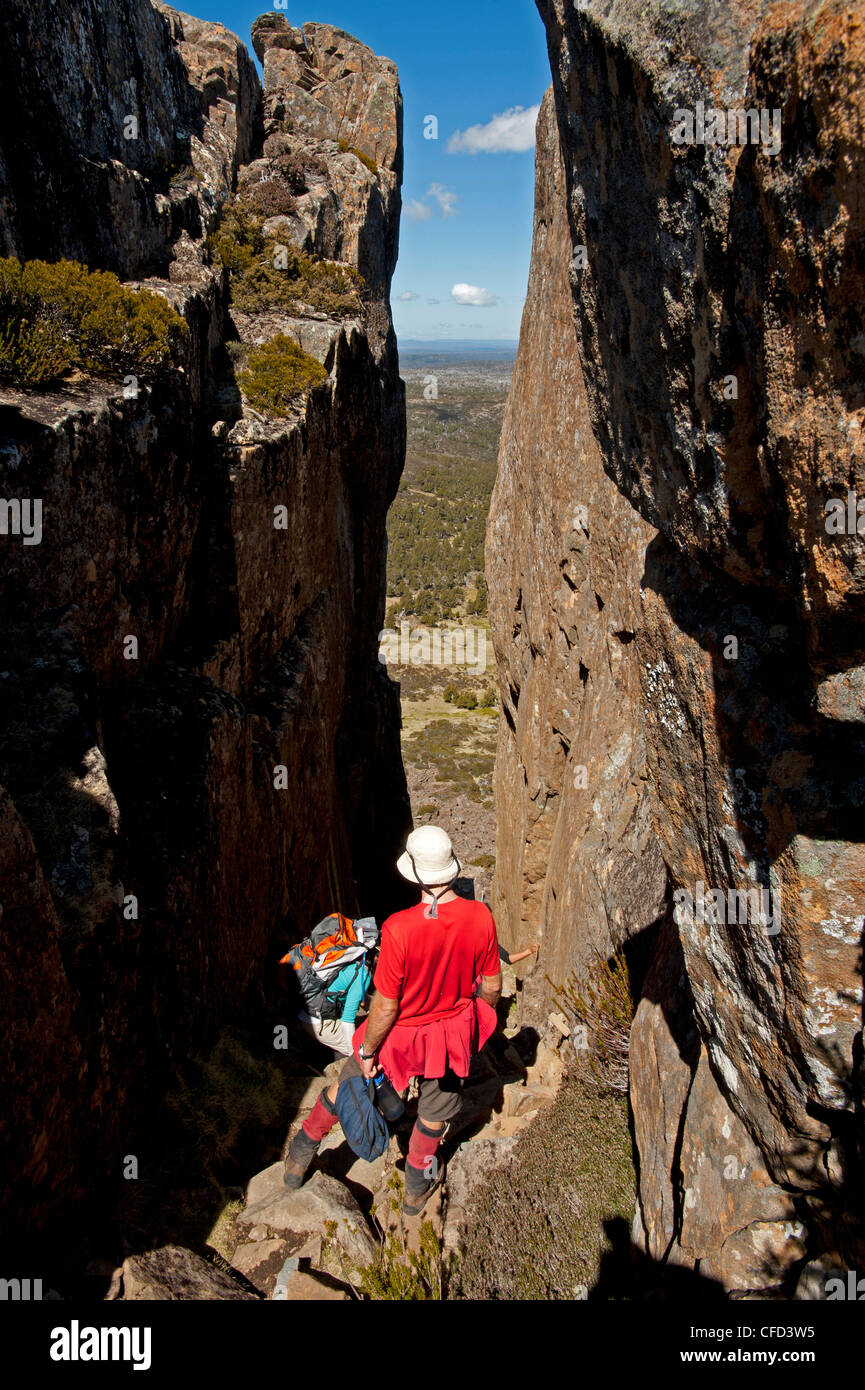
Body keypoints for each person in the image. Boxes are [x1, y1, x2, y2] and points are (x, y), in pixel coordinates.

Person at [283, 825, 502, 1215]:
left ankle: (300, 1155)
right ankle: (415, 1191)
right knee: (435, 1113)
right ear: (450, 870)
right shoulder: (481, 917)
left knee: (351, 1082)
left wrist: (368, 1050)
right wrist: (479, 1021)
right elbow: (492, 985)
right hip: (452, 1033)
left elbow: (385, 1007)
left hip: (401, 1036)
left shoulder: (399, 928)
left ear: (416, 875)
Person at [297, 930, 376, 1057]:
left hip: (306, 1011)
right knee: (364, 1047)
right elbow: (347, 1021)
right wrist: (356, 1053)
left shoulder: (344, 956)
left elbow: (354, 991)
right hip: (321, 1024)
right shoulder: (363, 975)